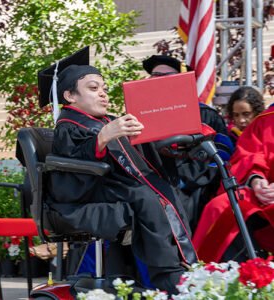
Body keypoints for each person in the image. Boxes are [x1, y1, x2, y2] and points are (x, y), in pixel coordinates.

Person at [37, 48, 198, 295]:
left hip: (111, 188)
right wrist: (102, 138)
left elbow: (138, 160)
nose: (102, 93)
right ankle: (167, 274)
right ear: (69, 95)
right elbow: (68, 175)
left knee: (165, 189)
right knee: (144, 196)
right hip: (80, 199)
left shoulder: (107, 121)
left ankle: (181, 267)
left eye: (103, 88)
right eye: (93, 88)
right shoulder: (68, 126)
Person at [142, 55, 233, 231]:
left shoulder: (205, 116)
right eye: (156, 75)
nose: (160, 81)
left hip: (191, 188)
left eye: (167, 77)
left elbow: (218, 159)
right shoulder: (142, 117)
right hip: (149, 186)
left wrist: (182, 182)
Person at [192, 103, 274, 263]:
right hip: (265, 193)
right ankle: (243, 274)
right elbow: (250, 153)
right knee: (222, 206)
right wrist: (256, 179)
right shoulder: (266, 120)